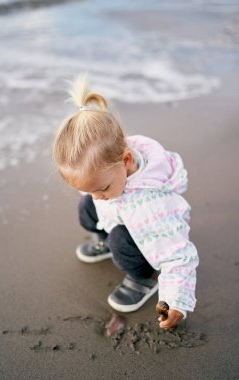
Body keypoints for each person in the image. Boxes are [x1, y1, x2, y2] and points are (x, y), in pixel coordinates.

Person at [53, 73, 199, 329]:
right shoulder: (108, 163)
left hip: (148, 233)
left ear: (127, 160)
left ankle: (143, 276)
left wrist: (172, 304)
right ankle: (105, 242)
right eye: (91, 188)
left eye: (103, 187)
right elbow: (97, 191)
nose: (97, 194)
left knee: (120, 238)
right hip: (120, 214)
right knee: (87, 206)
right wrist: (97, 193)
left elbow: (177, 257)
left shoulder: (151, 206)